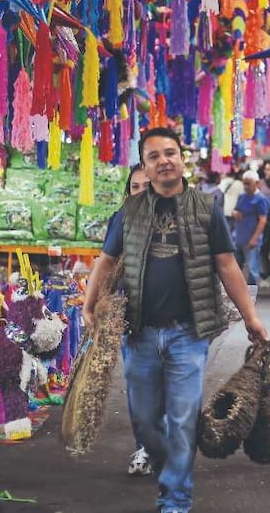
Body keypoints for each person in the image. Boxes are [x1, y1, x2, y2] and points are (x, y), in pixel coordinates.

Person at [82, 128, 268, 513]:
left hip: (188, 333)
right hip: (139, 333)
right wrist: (89, 304)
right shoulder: (128, 213)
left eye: (170, 153)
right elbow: (108, 261)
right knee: (146, 420)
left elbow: (227, 264)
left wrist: (252, 317)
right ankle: (171, 469)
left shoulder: (206, 209)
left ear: (183, 159)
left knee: (182, 419)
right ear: (145, 169)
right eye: (154, 156)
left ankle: (176, 500)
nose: (164, 160)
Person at [110, 165, 153, 476]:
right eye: (134, 187)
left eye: (146, 186)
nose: (140, 193)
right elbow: (106, 265)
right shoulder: (120, 220)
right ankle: (145, 446)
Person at [232, 170, 269, 285]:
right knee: (235, 268)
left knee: (253, 269)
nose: (246, 186)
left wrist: (255, 238)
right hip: (239, 238)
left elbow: (263, 220)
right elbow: (235, 210)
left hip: (251, 239)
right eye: (244, 183)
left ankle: (251, 295)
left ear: (256, 183)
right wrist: (235, 214)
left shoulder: (261, 199)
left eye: (248, 184)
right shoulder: (242, 196)